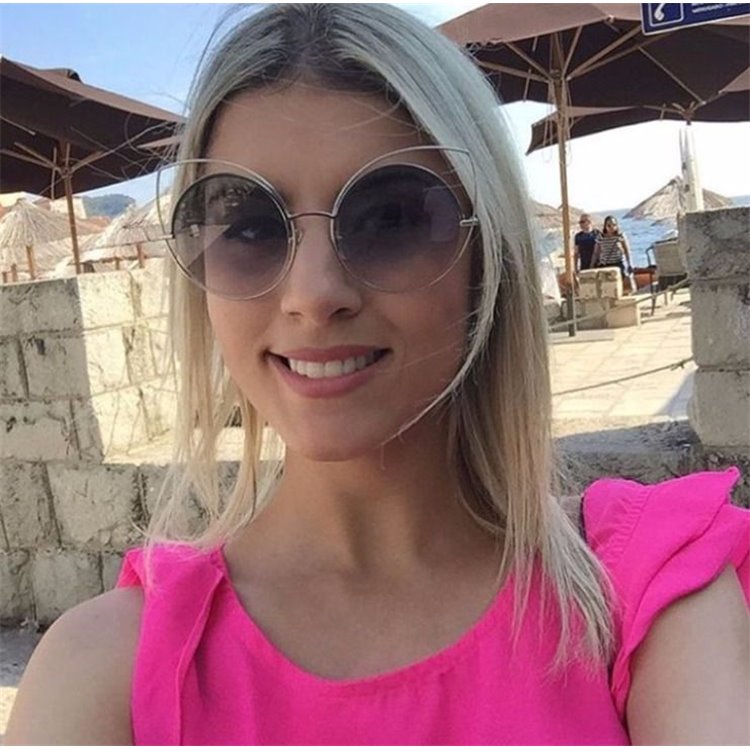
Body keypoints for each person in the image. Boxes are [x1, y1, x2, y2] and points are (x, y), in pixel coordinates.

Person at [7, 5, 749, 745]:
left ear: (487, 255)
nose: (312, 294)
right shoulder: (105, 672)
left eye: (390, 218)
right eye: (250, 225)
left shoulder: (651, 589)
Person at [592, 214, 634, 282]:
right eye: (609, 225)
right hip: (605, 265)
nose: (612, 227)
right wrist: (592, 265)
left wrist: (629, 264)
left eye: (614, 225)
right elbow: (596, 253)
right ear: (605, 226)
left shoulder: (620, 236)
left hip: (617, 264)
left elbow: (627, 250)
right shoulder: (601, 237)